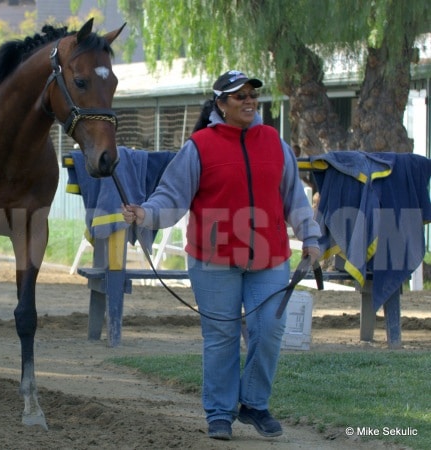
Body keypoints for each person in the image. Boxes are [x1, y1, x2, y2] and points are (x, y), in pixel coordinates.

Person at [122, 70, 321, 441]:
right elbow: (171, 197)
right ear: (221, 104)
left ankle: (255, 404)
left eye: (252, 95)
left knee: (269, 329)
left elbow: (294, 197)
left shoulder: (274, 143)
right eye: (239, 96)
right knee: (221, 336)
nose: (249, 101)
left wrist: (310, 237)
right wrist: (144, 213)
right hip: (212, 261)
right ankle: (219, 413)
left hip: (270, 257)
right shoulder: (198, 147)